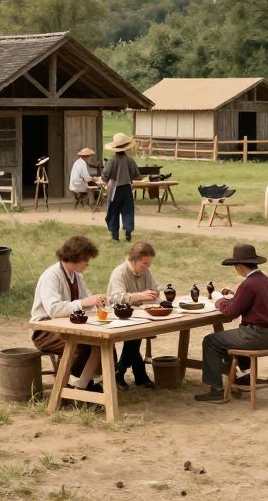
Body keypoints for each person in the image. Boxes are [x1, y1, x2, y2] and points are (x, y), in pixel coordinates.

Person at [195, 244, 268, 403]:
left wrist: (218, 299)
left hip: (254, 335)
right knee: (227, 338)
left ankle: (216, 390)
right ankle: (243, 376)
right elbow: (251, 301)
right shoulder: (264, 280)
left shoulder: (249, 284)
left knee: (211, 341)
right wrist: (236, 294)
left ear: (240, 266)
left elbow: (230, 312)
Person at [30, 235, 107, 392]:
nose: (87, 264)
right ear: (76, 257)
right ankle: (67, 384)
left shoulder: (77, 276)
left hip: (67, 326)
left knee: (102, 342)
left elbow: (88, 302)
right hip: (44, 330)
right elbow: (54, 309)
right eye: (86, 259)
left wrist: (99, 303)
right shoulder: (51, 276)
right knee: (82, 344)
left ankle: (81, 384)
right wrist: (84, 302)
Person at [107, 241, 159, 389]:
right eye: (144, 264)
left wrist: (157, 298)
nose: (147, 267)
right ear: (134, 260)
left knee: (135, 337)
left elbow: (154, 290)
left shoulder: (146, 272)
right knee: (134, 337)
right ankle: (132, 373)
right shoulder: (120, 272)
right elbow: (116, 297)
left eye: (149, 264)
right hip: (118, 315)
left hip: (138, 315)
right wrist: (140, 296)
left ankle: (126, 373)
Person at [101, 132, 143, 242]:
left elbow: (105, 177)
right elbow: (137, 175)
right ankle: (128, 232)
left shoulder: (111, 161)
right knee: (128, 211)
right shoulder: (130, 160)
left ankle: (115, 235)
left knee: (113, 211)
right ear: (126, 148)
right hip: (127, 189)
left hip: (115, 189)